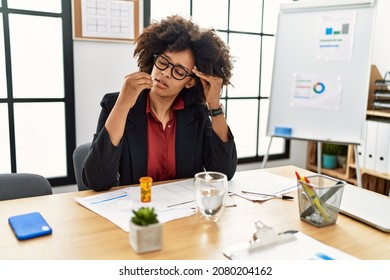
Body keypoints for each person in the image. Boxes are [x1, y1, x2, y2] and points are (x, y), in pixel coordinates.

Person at [83, 15, 237, 191]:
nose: (165, 73)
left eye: (179, 71)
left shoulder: (197, 114)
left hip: (183, 212)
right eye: (163, 62)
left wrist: (215, 107)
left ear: (190, 82)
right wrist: (123, 104)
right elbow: (97, 180)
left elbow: (224, 172)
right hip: (137, 213)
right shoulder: (115, 104)